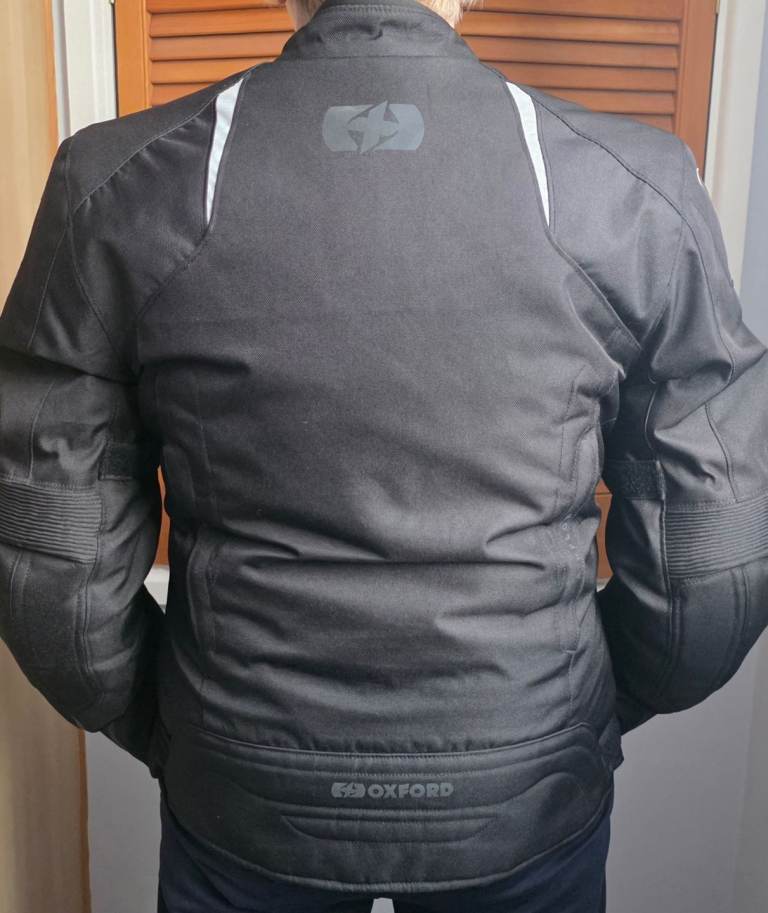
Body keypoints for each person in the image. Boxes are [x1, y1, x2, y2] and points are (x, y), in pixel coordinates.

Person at [1, 0, 767, 909]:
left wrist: (183, 728)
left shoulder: (117, 185)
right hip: (523, 789)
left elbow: (54, 576)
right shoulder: (631, 187)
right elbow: (708, 573)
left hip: (244, 788)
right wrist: (570, 717)